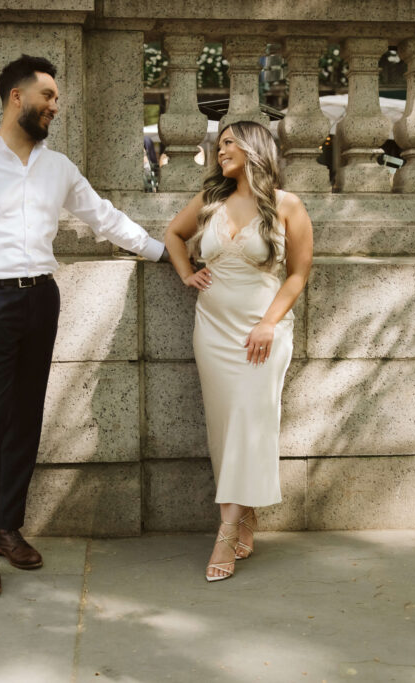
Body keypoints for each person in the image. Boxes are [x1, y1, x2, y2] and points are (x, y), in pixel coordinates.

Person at [0, 55, 167, 598]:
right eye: (49, 97)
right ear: (18, 97)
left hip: (41, 301)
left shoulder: (58, 168)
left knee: (26, 417)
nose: (56, 106)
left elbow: (103, 216)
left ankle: (9, 527)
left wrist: (161, 253)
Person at [164, 120, 313, 582]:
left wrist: (268, 323)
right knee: (226, 426)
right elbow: (173, 235)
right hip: (212, 329)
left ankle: (227, 531)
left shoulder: (287, 205)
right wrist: (188, 271)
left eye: (229, 143)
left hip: (261, 332)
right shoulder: (210, 202)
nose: (220, 149)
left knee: (251, 420)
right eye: (219, 143)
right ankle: (244, 516)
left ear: (253, 148)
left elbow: (298, 273)